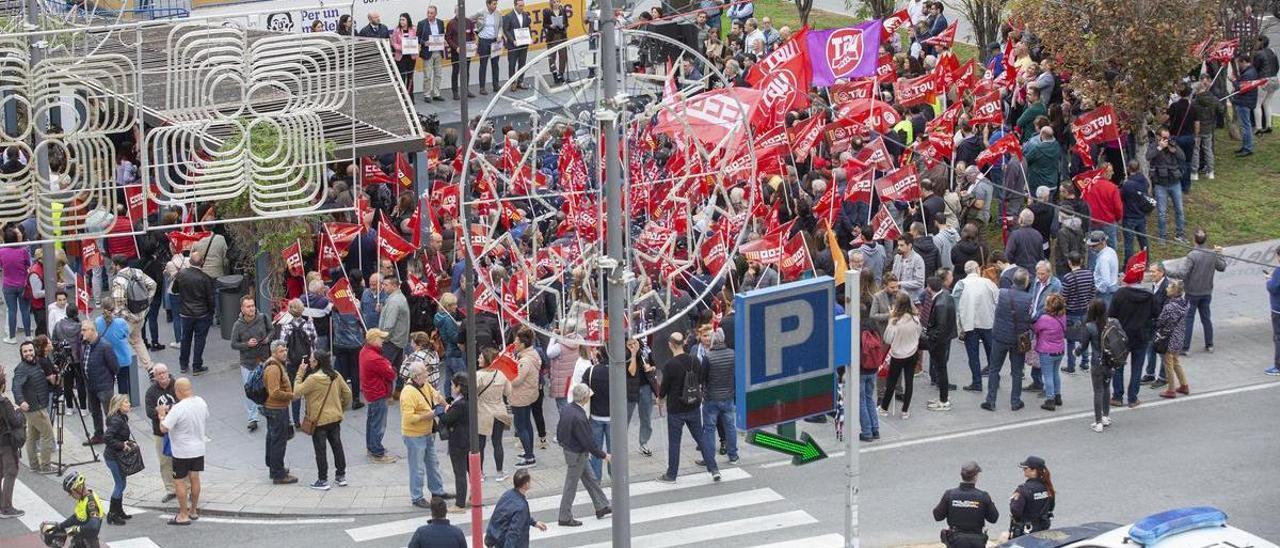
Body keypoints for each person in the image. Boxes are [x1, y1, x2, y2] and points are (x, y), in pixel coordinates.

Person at [656, 332, 720, 483]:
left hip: (676, 408)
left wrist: (660, 399)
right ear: (684, 343)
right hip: (693, 405)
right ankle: (714, 469)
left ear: (671, 344)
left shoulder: (670, 365)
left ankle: (671, 475)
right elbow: (700, 379)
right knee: (701, 438)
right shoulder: (695, 361)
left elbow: (664, 388)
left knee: (674, 442)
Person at [555, 383, 611, 527]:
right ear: (585, 398)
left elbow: (559, 431)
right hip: (577, 453)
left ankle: (602, 506)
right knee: (571, 486)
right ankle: (564, 517)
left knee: (591, 479)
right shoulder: (579, 417)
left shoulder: (568, 409)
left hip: (573, 450)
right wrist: (603, 455)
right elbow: (588, 442)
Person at [294, 350, 351, 490]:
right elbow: (348, 394)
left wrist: (299, 374)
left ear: (317, 362)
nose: (309, 362)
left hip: (319, 421)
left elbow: (296, 393)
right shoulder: (335, 375)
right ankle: (341, 476)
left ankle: (323, 479)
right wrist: (340, 409)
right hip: (335, 419)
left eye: (312, 360)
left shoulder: (313, 379)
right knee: (337, 447)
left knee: (320, 451)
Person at [982, 268, 1034, 412]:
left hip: (1000, 337)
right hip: (1018, 339)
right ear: (1025, 282)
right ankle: (1015, 401)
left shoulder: (1002, 293)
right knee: (1017, 371)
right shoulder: (1029, 299)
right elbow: (1031, 319)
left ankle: (990, 400)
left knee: (994, 369)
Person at [159, 377, 208, 526]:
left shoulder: (178, 408)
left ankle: (183, 514)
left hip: (181, 451)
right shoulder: (201, 402)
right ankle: (193, 510)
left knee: (179, 481)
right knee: (195, 478)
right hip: (199, 447)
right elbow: (206, 417)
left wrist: (161, 415)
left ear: (178, 391)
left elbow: (164, 428)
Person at [1109, 262, 1158, 409]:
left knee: (1118, 366)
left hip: (1122, 336)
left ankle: (1117, 396)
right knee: (1137, 367)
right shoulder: (1149, 295)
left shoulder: (1120, 294)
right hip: (1142, 336)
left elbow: (1111, 314)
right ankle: (1133, 397)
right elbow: (1156, 314)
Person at [1169, 229, 1226, 354]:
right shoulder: (1212, 254)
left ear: (1194, 240)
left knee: (1189, 319)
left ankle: (1185, 347)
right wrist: (1220, 253)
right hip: (1207, 292)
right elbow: (1222, 267)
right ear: (1206, 239)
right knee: (1206, 318)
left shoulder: (1192, 255)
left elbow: (1182, 274)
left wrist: (1166, 271)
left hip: (1192, 293)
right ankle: (1209, 344)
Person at [402, 361, 449, 507]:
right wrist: (428, 416)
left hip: (427, 433)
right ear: (416, 377)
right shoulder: (408, 393)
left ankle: (437, 491)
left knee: (433, 463)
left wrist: (445, 404)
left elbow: (436, 395)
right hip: (414, 435)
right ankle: (417, 497)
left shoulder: (424, 384)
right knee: (417, 468)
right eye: (424, 374)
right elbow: (408, 418)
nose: (427, 375)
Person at [12, 341, 55, 473]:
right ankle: (46, 466)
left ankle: (34, 466)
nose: (28, 353)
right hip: (35, 408)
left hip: (36, 406)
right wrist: (21, 401)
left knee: (32, 436)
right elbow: (16, 387)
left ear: (34, 351)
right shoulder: (22, 368)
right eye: (25, 351)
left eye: (30, 350)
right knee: (48, 435)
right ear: (21, 354)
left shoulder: (36, 364)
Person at [932, 461, 999, 547]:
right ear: (976, 476)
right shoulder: (983, 496)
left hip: (956, 541)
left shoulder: (950, 494)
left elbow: (937, 516)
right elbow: (994, 518)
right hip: (977, 541)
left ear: (961, 476)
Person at [230, 295, 271, 432]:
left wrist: (267, 339)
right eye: (248, 306)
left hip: (264, 359)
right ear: (242, 309)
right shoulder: (238, 325)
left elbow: (271, 331)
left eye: (253, 305)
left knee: (267, 386)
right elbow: (234, 344)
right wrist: (247, 344)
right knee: (249, 389)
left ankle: (267, 408)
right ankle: (252, 418)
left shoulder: (263, 318)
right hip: (247, 362)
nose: (252, 308)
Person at [108, 255, 155, 374]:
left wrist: (127, 316)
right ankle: (150, 368)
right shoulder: (137, 272)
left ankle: (122, 370)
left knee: (119, 342)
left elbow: (118, 304)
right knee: (137, 340)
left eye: (113, 264)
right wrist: (146, 304)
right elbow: (152, 284)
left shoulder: (118, 280)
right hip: (140, 314)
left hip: (127, 319)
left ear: (117, 265)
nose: (111, 266)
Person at [954, 261, 996, 391]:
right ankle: (995, 379)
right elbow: (997, 299)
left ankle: (977, 382)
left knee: (973, 355)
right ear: (977, 269)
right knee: (992, 354)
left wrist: (959, 326)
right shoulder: (988, 283)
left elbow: (956, 306)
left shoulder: (961, 284)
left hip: (969, 324)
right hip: (988, 322)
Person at [699, 328, 738, 464]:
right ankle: (733, 455)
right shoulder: (732, 354)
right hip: (728, 396)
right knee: (730, 426)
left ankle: (709, 458)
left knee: (709, 429)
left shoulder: (708, 357)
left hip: (711, 398)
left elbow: (701, 378)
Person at [172, 251, 214, 375]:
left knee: (185, 339)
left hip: (186, 313)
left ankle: (183, 365)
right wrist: (211, 312)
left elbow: (175, 290)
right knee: (200, 340)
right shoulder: (205, 278)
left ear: (190, 261)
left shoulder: (181, 274)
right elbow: (210, 298)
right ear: (202, 262)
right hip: (202, 313)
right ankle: (197, 366)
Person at [360, 328, 399, 464]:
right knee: (378, 424)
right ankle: (377, 452)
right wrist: (389, 366)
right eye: (381, 338)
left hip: (371, 392)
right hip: (378, 393)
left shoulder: (365, 351)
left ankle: (372, 447)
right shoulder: (375, 357)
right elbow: (391, 374)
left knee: (372, 422)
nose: (383, 341)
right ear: (374, 340)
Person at [879, 293, 920, 419]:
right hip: (912, 353)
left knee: (891, 382)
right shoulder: (915, 319)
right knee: (909, 382)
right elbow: (918, 334)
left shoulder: (894, 321)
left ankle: (884, 408)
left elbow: (887, 339)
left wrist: (890, 321)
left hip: (897, 354)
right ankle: (905, 410)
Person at [262, 340, 297, 484]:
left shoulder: (276, 365)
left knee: (273, 438)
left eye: (285, 350)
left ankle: (275, 467)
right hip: (276, 409)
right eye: (281, 351)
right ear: (274, 353)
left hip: (275, 408)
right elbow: (274, 392)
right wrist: (291, 396)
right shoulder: (274, 368)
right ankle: (278, 474)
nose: (285, 353)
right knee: (278, 441)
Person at [475, 347, 512, 482]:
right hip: (499, 412)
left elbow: (471, 394)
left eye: (481, 357)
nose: (478, 359)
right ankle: (499, 472)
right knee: (498, 443)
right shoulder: (502, 374)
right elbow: (508, 392)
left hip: (482, 412)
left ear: (487, 360)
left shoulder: (478, 376)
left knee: (480, 445)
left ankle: (480, 473)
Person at [485, 469, 547, 547]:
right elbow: (514, 533)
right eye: (529, 481)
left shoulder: (507, 494)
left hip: (499, 541)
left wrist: (534, 523)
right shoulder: (521, 507)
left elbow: (499, 515)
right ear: (526, 485)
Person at [143, 364, 178, 502]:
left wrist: (164, 409)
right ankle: (171, 489)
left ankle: (186, 488)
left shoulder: (176, 386)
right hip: (160, 432)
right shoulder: (151, 392)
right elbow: (150, 412)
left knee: (181, 461)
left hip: (177, 430)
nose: (163, 376)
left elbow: (182, 405)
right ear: (155, 377)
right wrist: (161, 411)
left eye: (164, 372)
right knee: (165, 462)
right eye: (159, 374)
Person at [81, 321, 118, 446]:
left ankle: (113, 436)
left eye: (84, 330)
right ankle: (99, 435)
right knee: (95, 412)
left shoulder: (105, 346)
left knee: (109, 412)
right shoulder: (85, 345)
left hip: (104, 386)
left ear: (92, 330)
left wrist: (108, 381)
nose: (82, 332)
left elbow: (114, 366)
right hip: (90, 386)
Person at [437, 372, 470, 513]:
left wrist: (439, 408)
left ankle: (460, 504)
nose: (451, 387)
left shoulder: (460, 404)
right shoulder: (467, 400)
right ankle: (472, 497)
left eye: (452, 385)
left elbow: (446, 419)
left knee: (460, 473)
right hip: (467, 439)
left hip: (458, 441)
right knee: (469, 471)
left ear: (458, 387)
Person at [923, 276, 957, 411]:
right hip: (945, 339)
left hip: (939, 343)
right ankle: (943, 397)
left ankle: (943, 400)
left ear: (930, 288)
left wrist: (930, 339)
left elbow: (940, 327)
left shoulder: (940, 303)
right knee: (942, 369)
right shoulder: (946, 296)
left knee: (941, 370)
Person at [509, 329, 541, 469]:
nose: (514, 343)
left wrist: (507, 374)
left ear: (523, 344)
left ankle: (529, 457)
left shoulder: (525, 360)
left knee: (521, 426)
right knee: (527, 424)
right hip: (529, 394)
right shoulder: (533, 354)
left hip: (520, 396)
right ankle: (529, 452)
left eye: (516, 341)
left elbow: (516, 380)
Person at [1147, 130, 1186, 242]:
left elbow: (1183, 157)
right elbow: (1148, 157)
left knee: (1179, 210)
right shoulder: (1153, 146)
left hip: (1175, 183)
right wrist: (1159, 148)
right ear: (1158, 137)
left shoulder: (1172, 144)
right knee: (1162, 213)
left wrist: (1174, 149)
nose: (1167, 140)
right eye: (1164, 137)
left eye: (1168, 137)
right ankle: (1162, 236)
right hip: (1160, 184)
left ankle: (1180, 234)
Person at [101, 394, 135, 526]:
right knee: (119, 484)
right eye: (126, 402)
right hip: (113, 457)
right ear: (119, 405)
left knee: (122, 483)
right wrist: (122, 445)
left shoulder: (120, 417)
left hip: (117, 456)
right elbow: (107, 438)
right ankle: (112, 515)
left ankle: (119, 511)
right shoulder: (117, 420)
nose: (129, 404)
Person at [1155, 281, 1190, 398]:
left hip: (1168, 339)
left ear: (1174, 291)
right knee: (1176, 361)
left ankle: (1171, 389)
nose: (1166, 289)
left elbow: (1160, 321)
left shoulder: (1169, 307)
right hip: (1179, 336)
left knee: (1168, 363)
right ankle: (1184, 385)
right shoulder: (1185, 303)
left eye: (1169, 287)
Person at [1032, 294, 1067, 410]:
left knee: (1047, 376)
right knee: (1055, 373)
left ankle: (1050, 400)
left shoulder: (1044, 319)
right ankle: (1058, 396)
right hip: (1060, 350)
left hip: (1047, 351)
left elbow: (1036, 328)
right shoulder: (1063, 316)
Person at [378, 275, 411, 396]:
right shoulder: (398, 297)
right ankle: (399, 389)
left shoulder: (394, 301)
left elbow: (389, 325)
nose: (383, 287)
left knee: (386, 368)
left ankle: (387, 393)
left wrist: (382, 338)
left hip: (391, 340)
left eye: (386, 284)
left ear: (394, 285)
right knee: (399, 367)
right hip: (399, 338)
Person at [624, 337, 657, 457]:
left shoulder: (645, 349)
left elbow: (654, 366)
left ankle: (644, 443)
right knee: (624, 419)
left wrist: (651, 368)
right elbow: (631, 371)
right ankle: (621, 445)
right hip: (630, 389)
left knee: (646, 418)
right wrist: (633, 355)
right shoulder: (624, 353)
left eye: (635, 342)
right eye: (630, 343)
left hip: (645, 387)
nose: (633, 345)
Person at [0, 368, 26, 518]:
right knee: (11, 472)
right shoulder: (4, 402)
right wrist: (19, 411)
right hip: (6, 442)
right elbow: (15, 422)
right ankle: (6, 508)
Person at [1009, 456, 1055, 537]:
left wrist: (1012, 501)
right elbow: (1051, 507)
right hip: (1043, 530)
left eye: (1025, 468)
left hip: (1026, 532)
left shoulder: (1023, 489)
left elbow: (1015, 511)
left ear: (1034, 471)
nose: (1023, 470)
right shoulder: (1048, 487)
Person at [53, 472, 105, 545]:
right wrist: (61, 525)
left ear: (79, 488)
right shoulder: (82, 498)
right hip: (81, 538)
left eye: (71, 492)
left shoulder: (91, 503)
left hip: (89, 542)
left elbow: (94, 526)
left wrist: (77, 529)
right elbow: (77, 517)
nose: (70, 495)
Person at [0, 233, 31, 343]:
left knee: (12, 311)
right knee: (25, 311)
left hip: (8, 285)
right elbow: (28, 264)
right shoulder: (23, 251)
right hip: (22, 284)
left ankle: (12, 337)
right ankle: (28, 336)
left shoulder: (1, 252)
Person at [416, 6, 446, 102]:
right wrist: (424, 42)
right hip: (427, 52)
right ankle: (427, 94)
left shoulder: (440, 23)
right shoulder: (422, 23)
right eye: (428, 12)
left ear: (436, 14)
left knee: (438, 74)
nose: (429, 15)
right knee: (427, 75)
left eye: (431, 13)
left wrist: (443, 41)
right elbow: (417, 37)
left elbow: (442, 35)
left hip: (438, 51)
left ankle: (437, 94)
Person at [446, 7, 476, 100]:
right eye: (458, 11)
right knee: (455, 71)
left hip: (467, 51)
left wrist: (473, 42)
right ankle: (455, 92)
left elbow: (471, 34)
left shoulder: (469, 22)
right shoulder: (451, 23)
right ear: (455, 12)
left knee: (466, 71)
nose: (461, 13)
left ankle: (466, 90)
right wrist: (456, 48)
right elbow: (448, 38)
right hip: (456, 52)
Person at [1232, 54, 1258, 157]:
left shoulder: (1249, 74)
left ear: (1243, 62)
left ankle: (1247, 148)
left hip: (1244, 102)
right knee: (1245, 125)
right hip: (1246, 101)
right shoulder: (1250, 71)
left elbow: (1241, 88)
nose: (1238, 65)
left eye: (1239, 62)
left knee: (1245, 126)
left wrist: (1234, 81)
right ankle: (1245, 146)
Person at [474, 0, 503, 95]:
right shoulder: (481, 12)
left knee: (495, 64)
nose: (495, 6)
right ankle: (482, 87)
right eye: (493, 4)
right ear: (488, 4)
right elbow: (469, 20)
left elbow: (500, 26)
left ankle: (496, 85)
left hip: (494, 41)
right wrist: (475, 31)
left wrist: (499, 35)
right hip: (483, 41)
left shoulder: (498, 14)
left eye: (496, 4)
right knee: (483, 65)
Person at [502, 0, 532, 89]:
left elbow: (528, 27)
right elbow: (506, 30)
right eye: (520, 6)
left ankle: (520, 82)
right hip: (513, 45)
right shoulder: (508, 16)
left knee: (522, 63)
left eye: (523, 6)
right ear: (515, 5)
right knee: (512, 64)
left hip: (524, 44)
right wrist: (512, 40)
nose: (522, 7)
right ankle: (512, 83)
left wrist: (529, 38)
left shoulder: (526, 15)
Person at [541, 0, 570, 83]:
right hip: (552, 37)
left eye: (558, 1)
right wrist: (550, 26)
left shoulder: (563, 11)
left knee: (563, 56)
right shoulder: (547, 12)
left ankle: (561, 74)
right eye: (554, 2)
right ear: (551, 3)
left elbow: (567, 23)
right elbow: (544, 25)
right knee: (552, 57)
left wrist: (562, 25)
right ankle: (554, 74)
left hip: (561, 36)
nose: (556, 3)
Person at [1088, 231, 1119, 306]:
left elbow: (1106, 281)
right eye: (1091, 246)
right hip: (1112, 287)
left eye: (1094, 246)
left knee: (1103, 314)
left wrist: (1096, 289)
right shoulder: (1111, 251)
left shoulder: (1103, 259)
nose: (1092, 248)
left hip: (1105, 292)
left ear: (1103, 243)